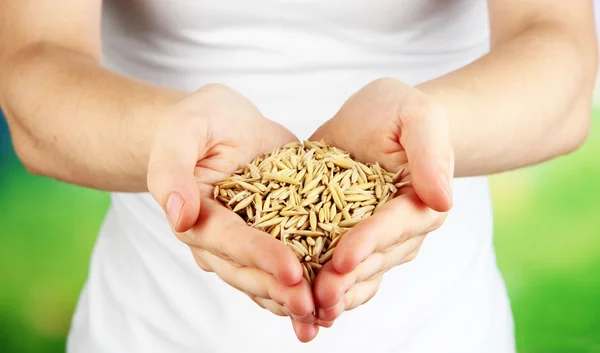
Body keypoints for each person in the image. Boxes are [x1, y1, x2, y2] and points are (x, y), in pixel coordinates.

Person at [0, 1, 596, 352]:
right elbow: (33, 61)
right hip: (150, 330)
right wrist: (169, 137)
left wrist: (432, 130)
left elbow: (560, 49)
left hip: (443, 330)